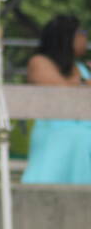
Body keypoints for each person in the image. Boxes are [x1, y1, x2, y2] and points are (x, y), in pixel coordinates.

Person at [21, 15, 91, 184]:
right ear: (67, 36)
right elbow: (60, 92)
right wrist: (84, 82)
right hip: (55, 132)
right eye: (81, 32)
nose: (85, 37)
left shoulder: (81, 68)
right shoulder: (39, 62)